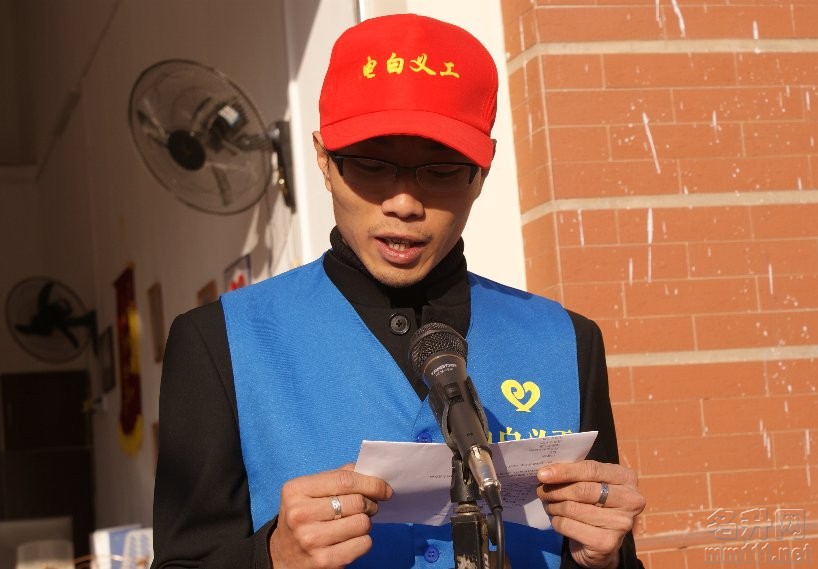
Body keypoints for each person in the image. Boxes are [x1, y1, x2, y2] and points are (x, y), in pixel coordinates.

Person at [152, 12, 646, 569]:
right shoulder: (221, 342)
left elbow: (609, 554)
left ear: (482, 173)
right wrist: (273, 557)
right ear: (323, 159)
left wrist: (605, 559)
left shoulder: (566, 341)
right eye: (371, 165)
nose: (405, 203)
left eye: (441, 170)